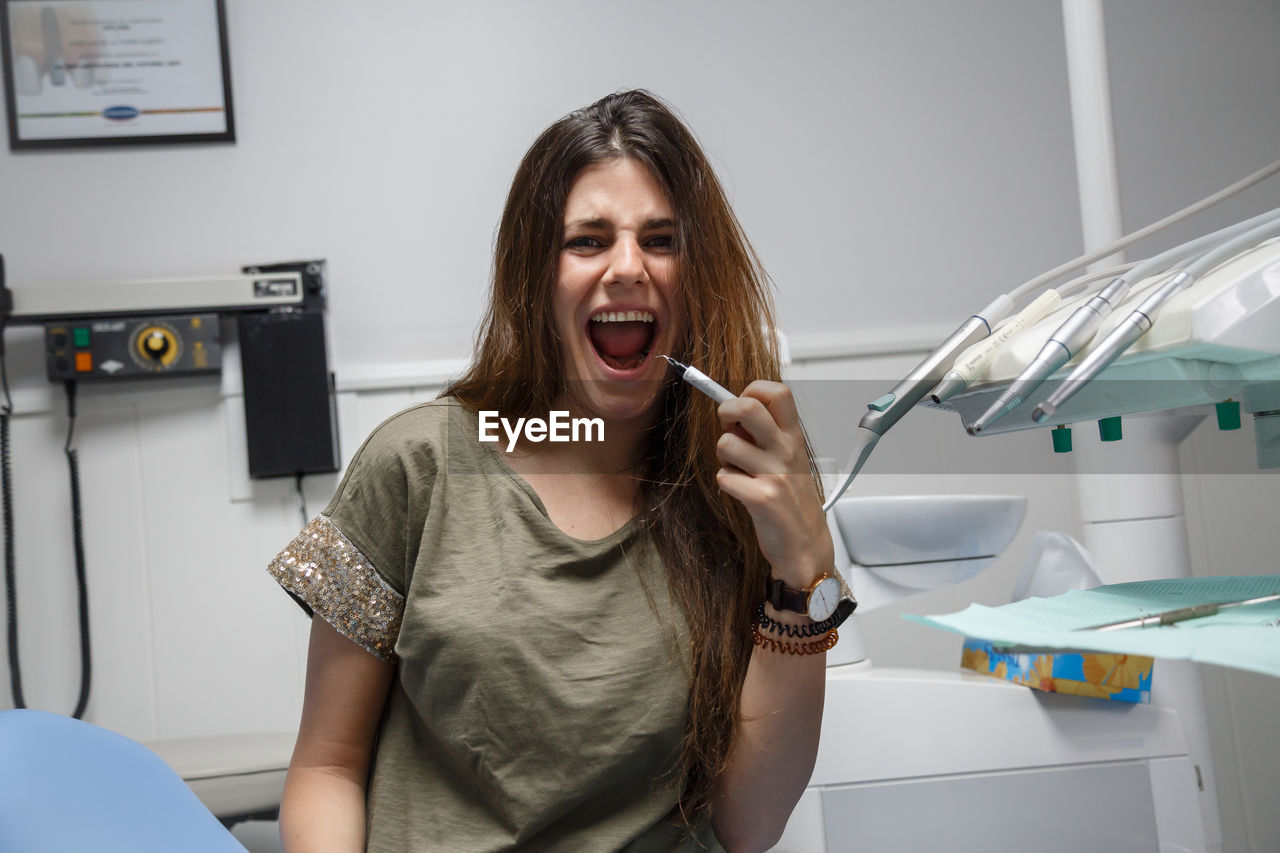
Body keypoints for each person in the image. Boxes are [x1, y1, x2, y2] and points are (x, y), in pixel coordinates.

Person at [268, 89, 849, 852]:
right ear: (534, 276)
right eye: (588, 240)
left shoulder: (734, 489)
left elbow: (749, 823)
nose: (629, 267)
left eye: (662, 239)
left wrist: (803, 568)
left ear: (698, 275)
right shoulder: (419, 465)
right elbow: (326, 767)